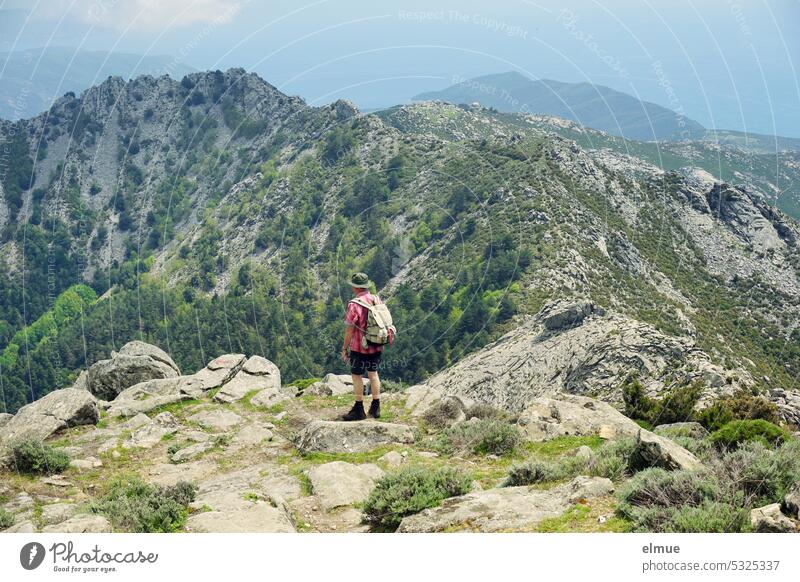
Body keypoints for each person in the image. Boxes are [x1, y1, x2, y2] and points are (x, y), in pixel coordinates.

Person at [341, 272, 383, 421]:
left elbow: (349, 329)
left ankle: (359, 409)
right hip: (377, 345)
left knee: (357, 375)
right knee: (373, 374)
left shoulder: (354, 304)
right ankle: (376, 407)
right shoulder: (376, 299)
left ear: (354, 287)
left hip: (359, 347)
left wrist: (344, 348)